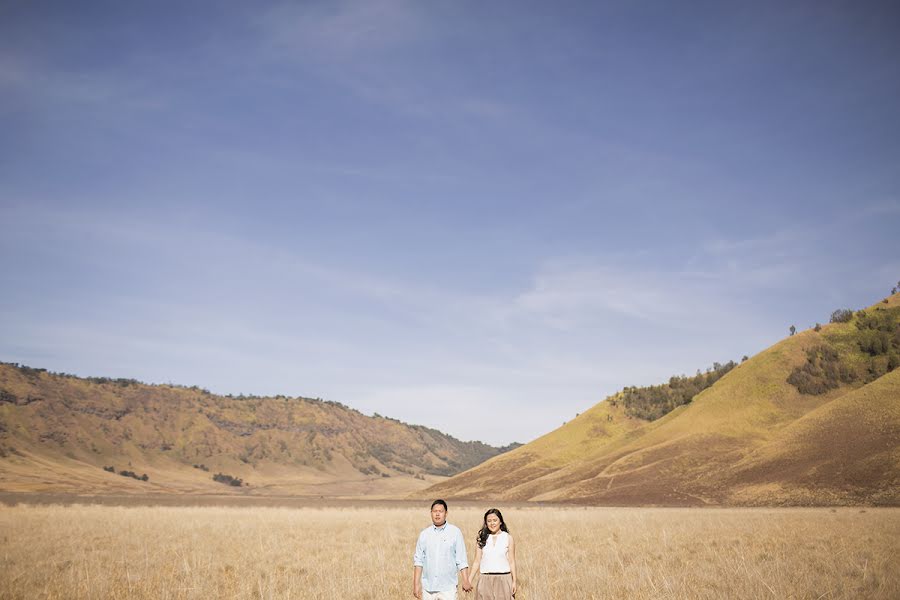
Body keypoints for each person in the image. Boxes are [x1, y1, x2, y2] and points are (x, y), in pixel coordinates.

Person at [413, 499, 472, 599]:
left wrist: (466, 580)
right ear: (431, 513)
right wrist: (416, 584)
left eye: (440, 511)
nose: (437, 514)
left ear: (446, 513)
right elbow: (418, 561)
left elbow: (461, 559)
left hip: (448, 587)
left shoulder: (455, 532)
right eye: (435, 511)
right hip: (428, 587)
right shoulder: (424, 534)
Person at [469, 508, 516, 599]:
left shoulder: (508, 538)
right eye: (489, 521)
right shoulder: (481, 538)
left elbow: (512, 562)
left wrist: (514, 581)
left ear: (500, 522)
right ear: (486, 524)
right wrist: (469, 579)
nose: (492, 523)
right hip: (485, 580)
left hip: (504, 579)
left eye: (495, 520)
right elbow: (477, 561)